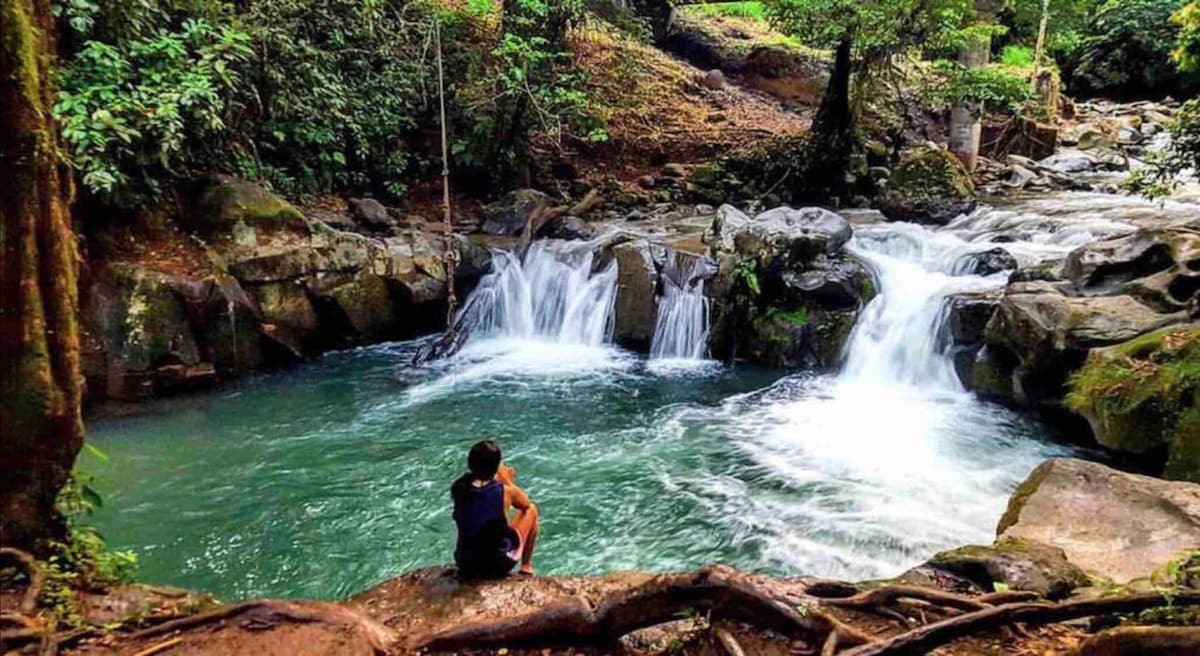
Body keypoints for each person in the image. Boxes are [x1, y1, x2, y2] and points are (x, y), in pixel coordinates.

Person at [451, 440, 539, 577]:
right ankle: (526, 566)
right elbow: (526, 503)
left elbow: (480, 498)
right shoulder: (505, 491)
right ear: (496, 467)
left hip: (465, 563)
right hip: (495, 567)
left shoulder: (458, 487)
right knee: (531, 510)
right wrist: (507, 480)